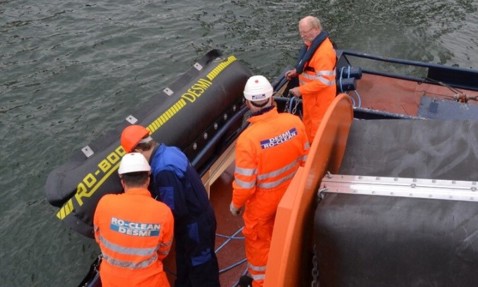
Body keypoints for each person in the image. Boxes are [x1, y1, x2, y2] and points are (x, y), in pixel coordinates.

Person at [229, 75, 310, 287]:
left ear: (247, 102)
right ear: (272, 98)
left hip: (262, 210)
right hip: (291, 199)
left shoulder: (248, 140)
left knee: (260, 258)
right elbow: (305, 161)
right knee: (289, 241)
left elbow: (244, 186)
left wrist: (236, 206)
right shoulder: (294, 123)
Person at [120, 125, 220, 287]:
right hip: (199, 218)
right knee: (186, 265)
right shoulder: (170, 151)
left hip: (193, 228)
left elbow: (174, 211)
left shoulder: (163, 171)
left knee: (201, 270)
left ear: (138, 151)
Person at [94, 152, 174, 287]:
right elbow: (164, 251)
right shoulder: (163, 212)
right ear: (148, 180)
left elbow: (99, 237)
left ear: (122, 181)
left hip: (111, 281)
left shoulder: (104, 203)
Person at [286, 15, 337, 143]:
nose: (302, 36)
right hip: (310, 97)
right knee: (307, 123)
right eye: (300, 32)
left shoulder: (324, 53)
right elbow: (309, 67)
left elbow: (324, 81)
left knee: (317, 129)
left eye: (305, 32)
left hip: (320, 100)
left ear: (316, 29)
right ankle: (307, 147)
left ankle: (314, 154)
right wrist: (295, 73)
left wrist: (300, 90)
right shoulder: (311, 44)